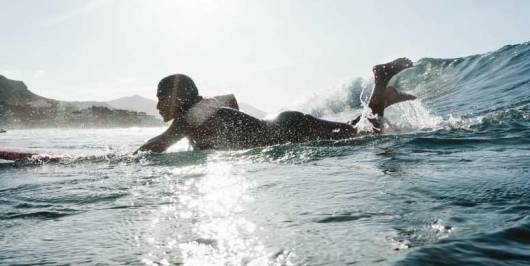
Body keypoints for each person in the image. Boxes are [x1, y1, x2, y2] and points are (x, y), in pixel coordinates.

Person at [137, 58, 414, 153]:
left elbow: (157, 146)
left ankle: (381, 80)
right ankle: (383, 97)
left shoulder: (189, 119)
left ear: (177, 98)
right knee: (360, 128)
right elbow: (230, 99)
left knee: (366, 133)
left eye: (162, 98)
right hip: (286, 124)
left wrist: (114, 160)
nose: (158, 105)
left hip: (290, 130)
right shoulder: (202, 111)